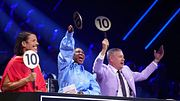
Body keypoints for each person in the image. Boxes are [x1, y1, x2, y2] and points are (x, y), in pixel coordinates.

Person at [93, 38, 164, 97]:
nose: (123, 59)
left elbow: (143, 75)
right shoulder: (104, 70)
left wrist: (156, 61)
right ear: (111, 58)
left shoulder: (126, 69)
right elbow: (96, 68)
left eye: (123, 57)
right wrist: (103, 50)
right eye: (120, 57)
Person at [57, 25, 100, 95]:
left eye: (83, 53)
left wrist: (83, 93)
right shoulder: (65, 67)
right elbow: (66, 51)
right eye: (78, 52)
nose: (81, 54)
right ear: (72, 55)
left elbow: (96, 91)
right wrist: (69, 35)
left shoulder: (89, 75)